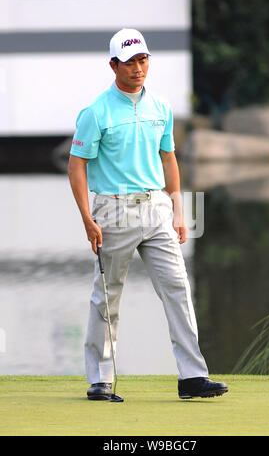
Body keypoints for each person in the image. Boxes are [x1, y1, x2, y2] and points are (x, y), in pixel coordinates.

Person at [68, 28, 228, 400]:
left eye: (143, 60)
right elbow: (77, 166)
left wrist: (177, 210)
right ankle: (100, 380)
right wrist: (86, 218)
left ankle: (191, 377)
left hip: (156, 208)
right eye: (129, 62)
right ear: (113, 65)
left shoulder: (161, 107)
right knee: (107, 297)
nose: (138, 68)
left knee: (178, 289)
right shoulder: (96, 112)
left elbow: (168, 157)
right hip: (113, 209)